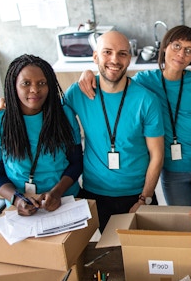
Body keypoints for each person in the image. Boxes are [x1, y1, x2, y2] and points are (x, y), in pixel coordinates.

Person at [78, 25, 191, 206]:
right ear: (165, 47)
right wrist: (89, 72)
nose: (181, 54)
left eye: (188, 50)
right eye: (176, 46)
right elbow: (114, 80)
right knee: (183, 223)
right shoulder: (144, 81)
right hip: (171, 168)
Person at [64, 30, 165, 231]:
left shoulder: (146, 100)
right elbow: (45, 113)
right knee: (109, 254)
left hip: (137, 193)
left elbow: (157, 154)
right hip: (95, 192)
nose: (114, 60)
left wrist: (145, 198)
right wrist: (6, 105)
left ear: (129, 59)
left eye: (122, 53)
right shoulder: (79, 93)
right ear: (95, 57)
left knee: (144, 257)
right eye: (107, 52)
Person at [0, 54, 83, 216]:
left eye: (42, 83)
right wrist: (17, 199)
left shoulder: (64, 115)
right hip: (20, 205)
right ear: (14, 86)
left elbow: (76, 162)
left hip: (65, 198)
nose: (35, 89)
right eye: (26, 83)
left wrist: (56, 193)